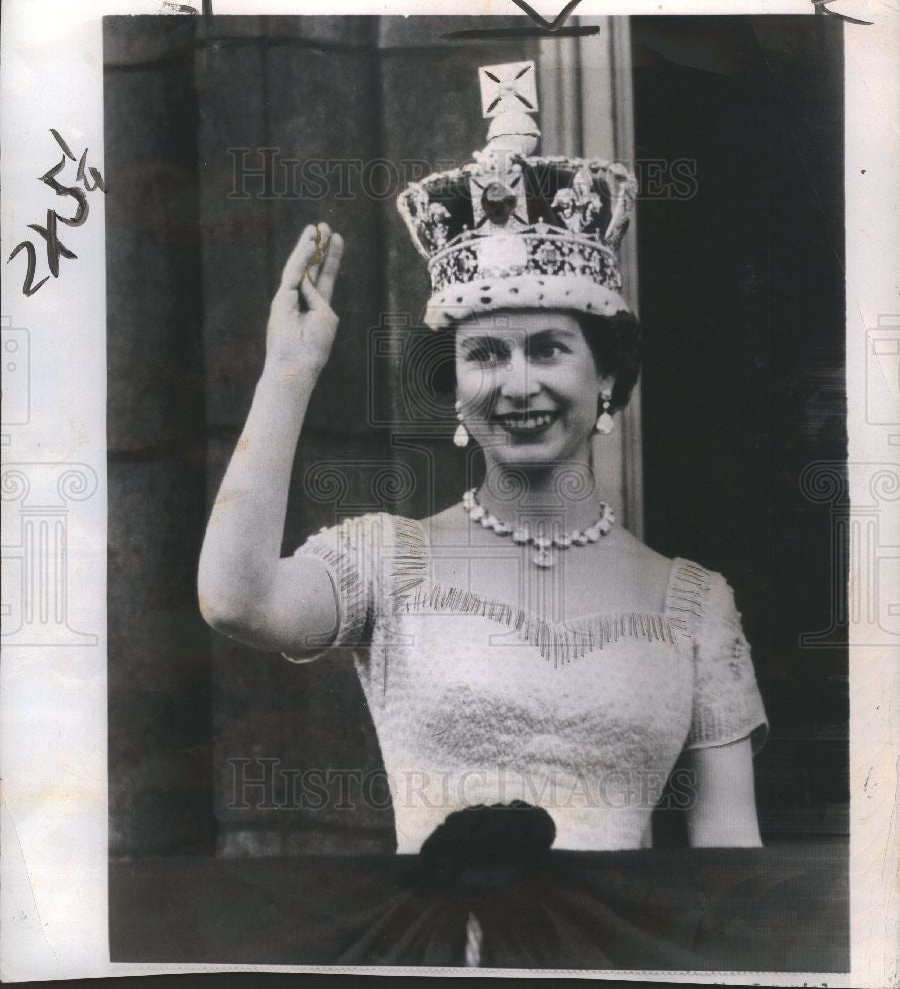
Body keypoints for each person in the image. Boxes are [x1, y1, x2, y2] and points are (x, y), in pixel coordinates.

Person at [198, 60, 768, 866]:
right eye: (486, 354)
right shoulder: (385, 562)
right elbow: (235, 599)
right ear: (456, 383)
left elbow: (731, 869)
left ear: (605, 375)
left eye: (549, 349)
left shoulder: (694, 607)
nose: (519, 384)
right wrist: (288, 372)